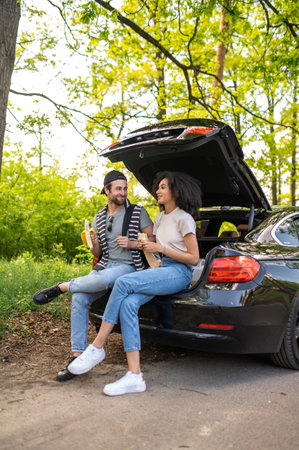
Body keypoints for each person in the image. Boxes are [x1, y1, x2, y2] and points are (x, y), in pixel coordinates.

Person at [67, 171, 202, 396]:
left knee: (122, 282)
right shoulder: (160, 218)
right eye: (158, 186)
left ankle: (97, 347)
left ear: (175, 191)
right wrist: (139, 244)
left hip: (179, 272)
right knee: (128, 304)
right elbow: (151, 245)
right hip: (159, 269)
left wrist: (161, 249)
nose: (157, 190)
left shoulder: (184, 218)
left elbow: (194, 258)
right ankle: (135, 376)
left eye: (162, 187)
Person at [33, 170, 153, 381]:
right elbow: (98, 254)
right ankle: (77, 357)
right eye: (118, 188)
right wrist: (94, 245)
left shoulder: (138, 212)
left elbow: (152, 240)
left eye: (125, 188)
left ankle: (62, 286)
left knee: (104, 279)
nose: (122, 192)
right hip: (105, 265)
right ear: (106, 190)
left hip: (129, 266)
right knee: (79, 297)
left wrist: (134, 243)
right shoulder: (99, 216)